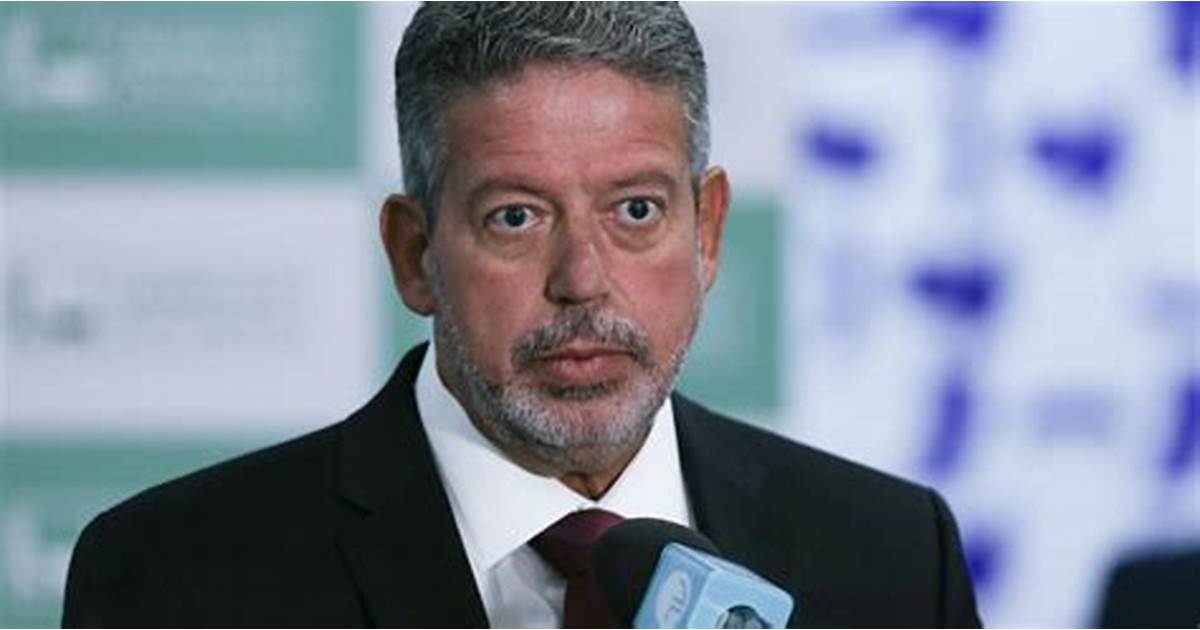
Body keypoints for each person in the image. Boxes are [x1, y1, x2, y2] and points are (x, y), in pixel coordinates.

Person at [62, 3, 982, 627]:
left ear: (706, 232)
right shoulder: (174, 579)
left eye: (635, 211)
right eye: (516, 217)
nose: (582, 280)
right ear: (414, 253)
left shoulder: (895, 558)